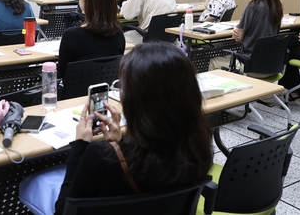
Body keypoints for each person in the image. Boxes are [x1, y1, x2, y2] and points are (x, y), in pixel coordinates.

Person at [53, 42, 213, 214]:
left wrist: (80, 146)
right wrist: (120, 144)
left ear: (135, 99)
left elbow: (63, 210)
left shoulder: (100, 155)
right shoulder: (198, 146)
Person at [58, 0, 125, 79]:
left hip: (76, 93)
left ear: (88, 3)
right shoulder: (118, 34)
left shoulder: (72, 35)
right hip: (106, 91)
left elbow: (62, 73)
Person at [229, 0, 283, 71]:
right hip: (271, 65)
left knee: (212, 62)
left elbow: (238, 38)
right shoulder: (277, 6)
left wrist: (236, 34)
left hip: (249, 63)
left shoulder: (252, 7)